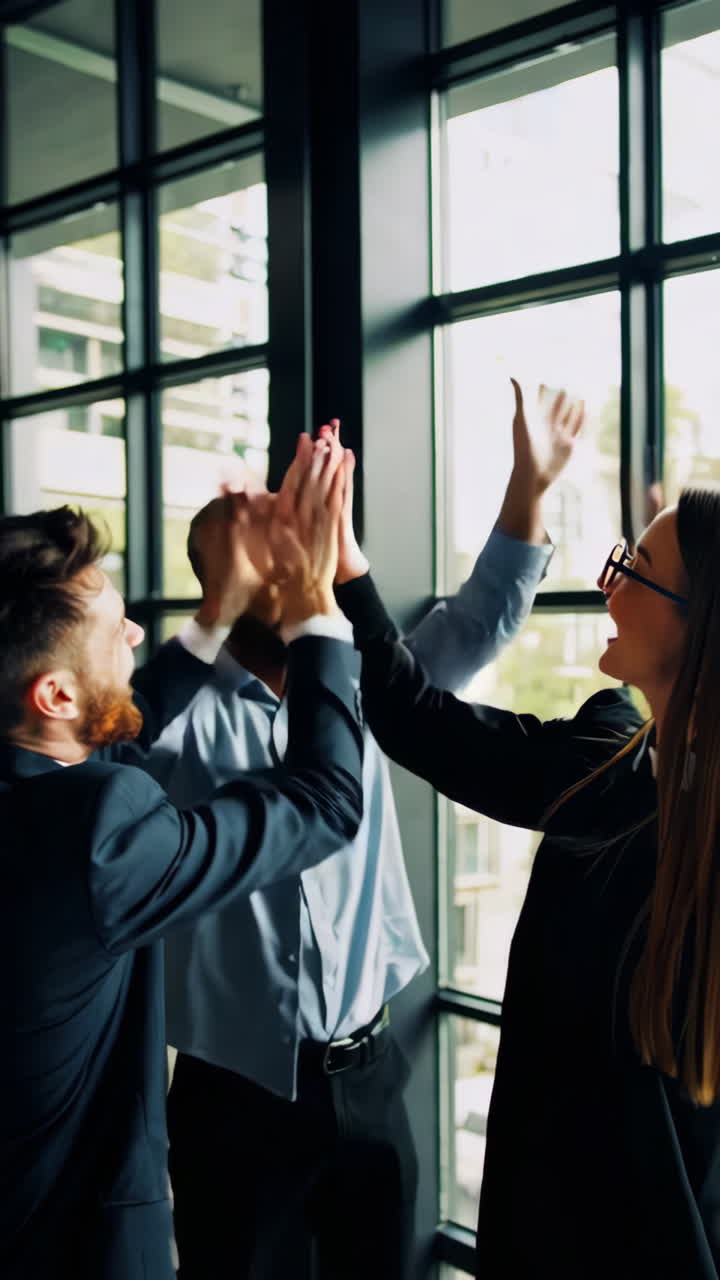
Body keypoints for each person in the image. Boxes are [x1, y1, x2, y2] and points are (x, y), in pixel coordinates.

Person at [147, 394, 582, 1280]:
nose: (300, 534)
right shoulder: (174, 723)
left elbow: (481, 618)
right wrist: (208, 621)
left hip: (372, 1077)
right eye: (273, 528)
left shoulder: (362, 691)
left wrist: (527, 484)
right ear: (229, 577)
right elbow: (103, 757)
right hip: (232, 1097)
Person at [331, 378, 720, 1279]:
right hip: (544, 1235)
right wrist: (349, 573)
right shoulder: (606, 753)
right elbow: (418, 719)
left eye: (634, 571)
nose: (606, 583)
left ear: (697, 628)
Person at [0, 469, 364, 1280]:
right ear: (53, 692)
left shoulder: (37, 786)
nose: (134, 635)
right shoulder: (96, 834)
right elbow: (327, 801)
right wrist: (313, 605)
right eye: (113, 628)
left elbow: (111, 734)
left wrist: (214, 615)